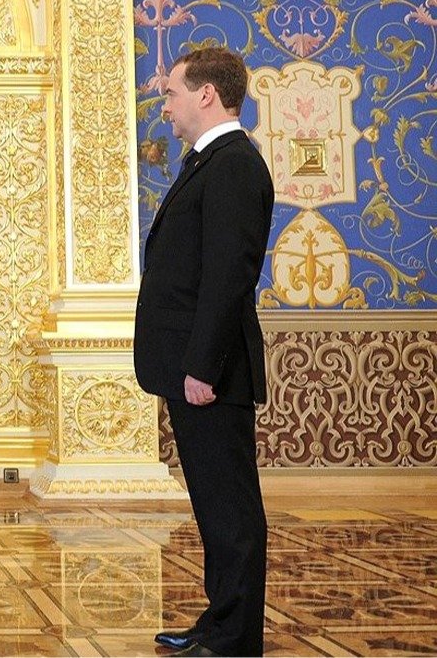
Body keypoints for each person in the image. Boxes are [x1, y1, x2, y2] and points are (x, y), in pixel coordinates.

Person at [134, 47, 273, 658]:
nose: (165, 107)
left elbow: (228, 275)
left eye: (171, 94)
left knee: (231, 509)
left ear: (206, 94)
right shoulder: (210, 162)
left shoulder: (235, 164)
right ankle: (220, 622)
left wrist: (201, 365)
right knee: (214, 507)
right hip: (194, 367)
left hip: (210, 371)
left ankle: (235, 638)